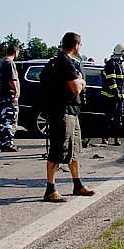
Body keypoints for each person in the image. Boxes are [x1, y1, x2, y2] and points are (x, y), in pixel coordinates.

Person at [42, 32, 95, 202]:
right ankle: (50, 189)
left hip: (71, 111)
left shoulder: (58, 61)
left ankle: (77, 184)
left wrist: (78, 80)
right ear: (76, 45)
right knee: (58, 150)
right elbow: (76, 88)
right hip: (63, 112)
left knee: (74, 150)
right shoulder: (65, 62)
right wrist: (81, 81)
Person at [99, 42, 124, 146]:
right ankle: (105, 138)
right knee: (108, 119)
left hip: (120, 98)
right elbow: (112, 81)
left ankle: (116, 138)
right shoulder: (111, 64)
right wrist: (117, 94)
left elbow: (122, 82)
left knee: (118, 120)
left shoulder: (120, 65)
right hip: (111, 98)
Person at [0, 43, 20, 152]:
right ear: (16, 52)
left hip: (1, 95)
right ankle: (7, 143)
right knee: (10, 119)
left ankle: (1, 141)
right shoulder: (9, 63)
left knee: (3, 119)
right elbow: (12, 80)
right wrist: (16, 91)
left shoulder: (0, 62)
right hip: (8, 95)